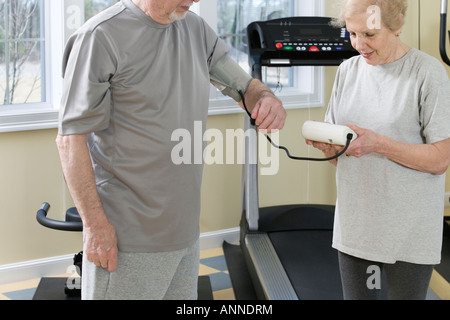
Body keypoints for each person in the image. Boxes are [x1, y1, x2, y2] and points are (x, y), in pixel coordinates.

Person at [56, 0, 286, 300]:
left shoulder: (194, 29)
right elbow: (70, 141)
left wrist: (265, 98)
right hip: (127, 237)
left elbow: (243, 87)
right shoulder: (100, 36)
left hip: (185, 233)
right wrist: (95, 227)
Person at [307, 0, 450, 300]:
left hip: (409, 232)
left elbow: (440, 160)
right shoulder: (347, 71)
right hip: (357, 228)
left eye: (370, 35)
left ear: (397, 24)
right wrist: (329, 148)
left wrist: (378, 144)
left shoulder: (427, 73)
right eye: (352, 33)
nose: (359, 44)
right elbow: (345, 158)